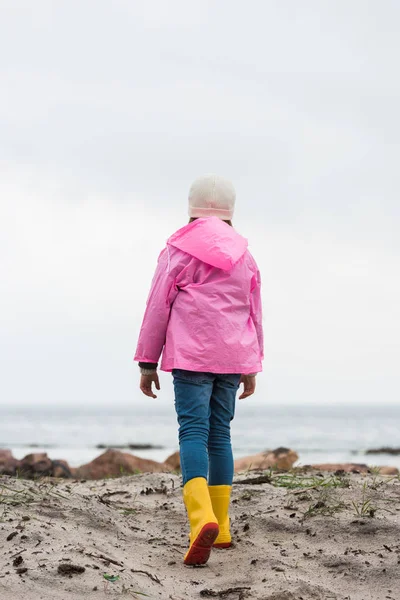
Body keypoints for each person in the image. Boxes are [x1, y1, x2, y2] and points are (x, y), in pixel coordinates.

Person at [134, 174, 264, 566]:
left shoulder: (176, 252)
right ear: (230, 212)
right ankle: (220, 527)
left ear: (191, 209)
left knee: (193, 430)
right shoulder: (246, 255)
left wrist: (146, 361)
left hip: (191, 355)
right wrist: (253, 364)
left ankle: (200, 520)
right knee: (219, 433)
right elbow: (253, 312)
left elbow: (158, 306)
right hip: (233, 356)